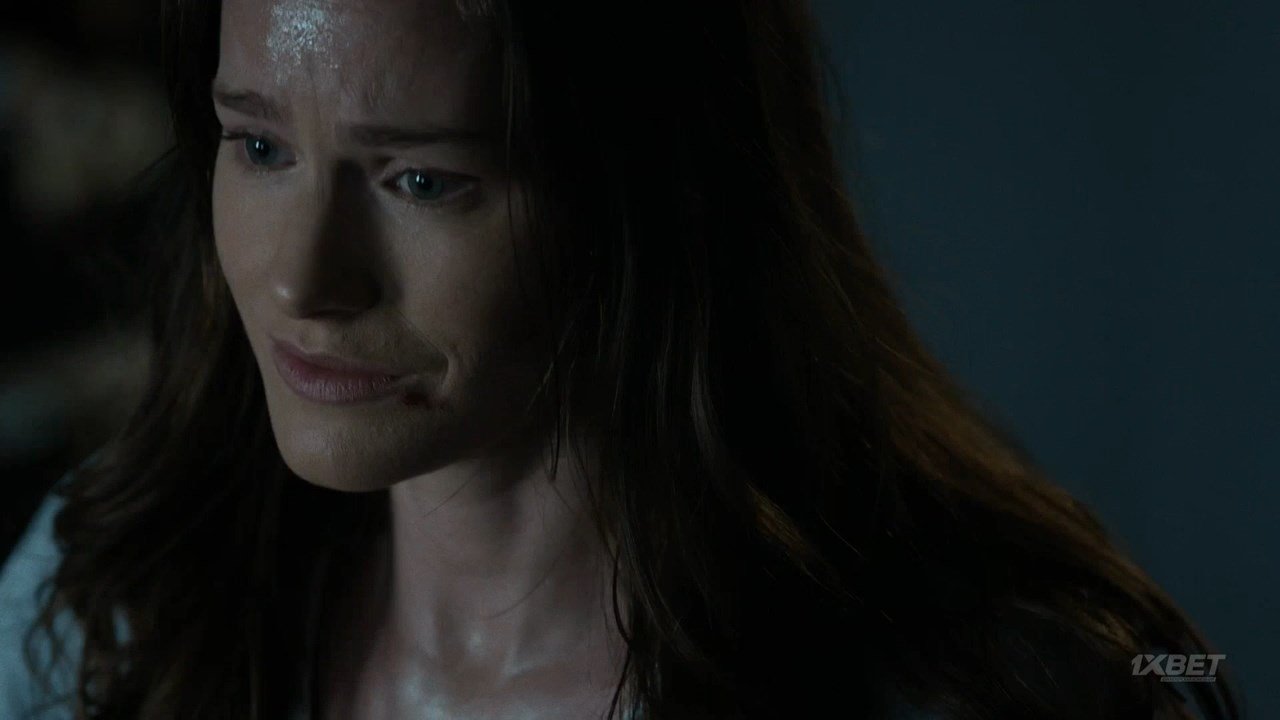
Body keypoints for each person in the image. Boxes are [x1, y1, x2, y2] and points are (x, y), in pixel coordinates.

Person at [0, 0, 1244, 718]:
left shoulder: (990, 683)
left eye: (422, 179)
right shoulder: (100, 597)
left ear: (646, 202)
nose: (299, 279)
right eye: (259, 148)